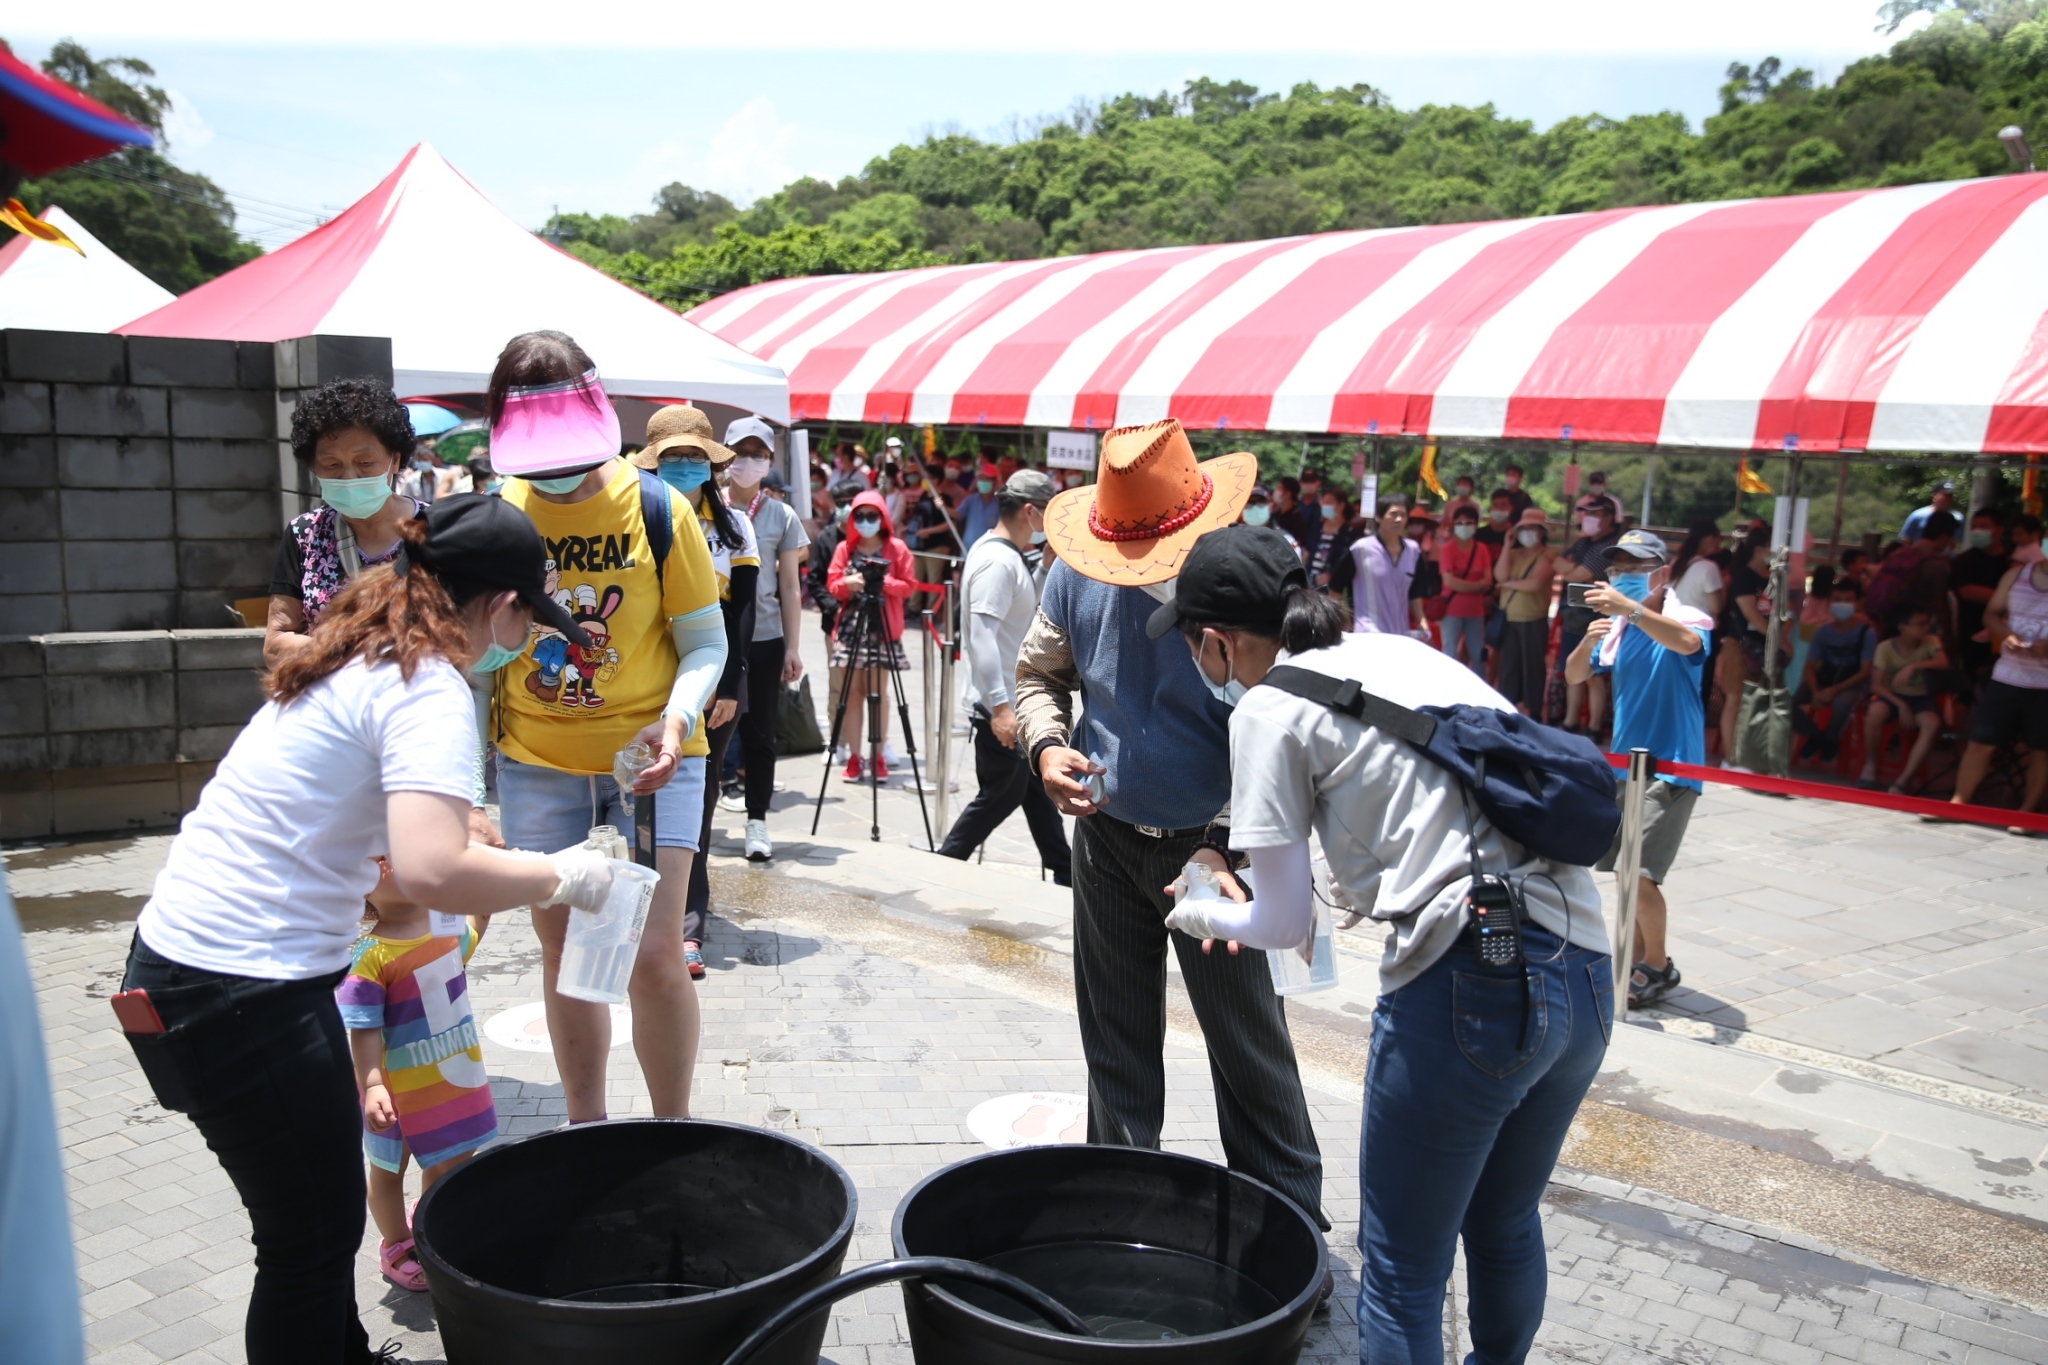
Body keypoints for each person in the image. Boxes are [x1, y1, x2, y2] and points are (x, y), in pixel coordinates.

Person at [119, 494, 617, 1363]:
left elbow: (367, 814)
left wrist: (462, 827)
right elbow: (429, 873)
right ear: (501, 603)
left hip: (193, 971)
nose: (525, 636)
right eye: (529, 617)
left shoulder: (364, 652)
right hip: (235, 991)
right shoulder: (428, 684)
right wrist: (565, 873)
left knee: (313, 1225)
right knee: (308, 1242)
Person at [1150, 525, 1605, 1360]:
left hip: (1467, 977)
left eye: (1192, 644)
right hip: (1583, 962)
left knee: (1400, 1269)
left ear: (1217, 640)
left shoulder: (1268, 707)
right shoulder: (1400, 652)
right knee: (1503, 1217)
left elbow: (1280, 924)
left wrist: (1200, 914)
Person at [1015, 419, 1328, 1251]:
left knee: (1246, 1043)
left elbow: (1288, 728)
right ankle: (1122, 1212)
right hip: (1109, 833)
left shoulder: (1249, 582)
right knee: (1114, 1036)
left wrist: (1225, 841)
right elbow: (1039, 672)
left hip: (1214, 847)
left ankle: (1289, 1229)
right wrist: (1047, 746)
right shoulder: (1074, 570)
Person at [487, 333, 725, 1125]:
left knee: (656, 958)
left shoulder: (659, 507)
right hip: (536, 764)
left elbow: (704, 641)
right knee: (567, 963)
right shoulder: (497, 513)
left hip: (654, 761)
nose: (553, 474)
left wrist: (677, 719)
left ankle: (671, 1128)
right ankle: (584, 1128)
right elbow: (472, 657)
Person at [629, 408, 759, 981]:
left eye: (694, 458)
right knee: (629, 801)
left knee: (694, 809)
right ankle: (629, 922)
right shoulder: (632, 516)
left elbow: (743, 614)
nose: (685, 466)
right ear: (653, 462)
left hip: (711, 687)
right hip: (637, 685)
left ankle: (687, 927)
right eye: (673, 458)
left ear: (711, 464)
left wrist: (730, 685)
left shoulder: (735, 527)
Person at [1563, 528, 1712, 1010]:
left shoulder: (1682, 615)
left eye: (1635, 567)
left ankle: (1656, 963)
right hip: (1628, 768)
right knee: (1626, 874)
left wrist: (1630, 609)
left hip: (1671, 768)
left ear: (1662, 573)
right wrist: (1587, 642)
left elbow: (1689, 643)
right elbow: (1575, 675)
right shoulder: (1619, 631)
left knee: (1637, 872)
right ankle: (1641, 960)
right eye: (1619, 567)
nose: (1624, 576)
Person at [340, 858, 494, 1294]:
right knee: (389, 1168)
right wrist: (371, 1085)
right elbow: (363, 1029)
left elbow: (473, 932)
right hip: (394, 1090)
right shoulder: (369, 957)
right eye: (376, 858)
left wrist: (484, 891)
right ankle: (396, 1244)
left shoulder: (445, 924)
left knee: (450, 1161)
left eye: (394, 851)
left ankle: (431, 1226)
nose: (388, 861)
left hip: (449, 1078)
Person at [936, 471, 1071, 882]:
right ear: (1030, 511)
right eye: (1048, 513)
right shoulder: (998, 560)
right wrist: (999, 706)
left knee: (1035, 799)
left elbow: (1018, 617)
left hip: (1015, 706)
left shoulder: (1005, 555)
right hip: (1005, 709)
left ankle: (1068, 876)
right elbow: (981, 637)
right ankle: (944, 862)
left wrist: (1046, 570)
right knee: (1001, 796)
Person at [266, 379, 426, 667]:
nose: (349, 477)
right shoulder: (304, 534)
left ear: (394, 460)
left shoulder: (439, 529)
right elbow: (276, 643)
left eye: (365, 463)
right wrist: (352, 654)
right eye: (332, 465)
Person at [722, 416, 809, 862]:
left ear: (770, 461)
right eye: (741, 452)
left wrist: (793, 646)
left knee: (760, 732)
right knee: (704, 729)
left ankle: (757, 819)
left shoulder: (780, 514)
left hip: (766, 636)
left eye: (758, 454)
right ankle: (694, 820)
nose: (749, 462)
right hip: (711, 635)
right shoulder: (706, 506)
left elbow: (791, 585)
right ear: (725, 454)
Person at [1950, 554, 2048, 826]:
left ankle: (2027, 814)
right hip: (2007, 676)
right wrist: (2007, 635)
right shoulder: (2016, 575)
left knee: (2041, 751)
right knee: (1981, 742)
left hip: (2045, 685)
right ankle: (1959, 801)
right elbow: (1991, 614)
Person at [828, 489, 919, 783]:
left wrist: (882, 581)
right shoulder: (845, 548)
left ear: (883, 518)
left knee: (878, 694)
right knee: (851, 695)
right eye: (860, 515)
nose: (866, 521)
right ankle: (854, 757)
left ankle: (878, 754)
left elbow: (909, 586)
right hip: (851, 629)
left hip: (882, 629)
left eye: (872, 515)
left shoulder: (897, 548)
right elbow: (833, 585)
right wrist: (850, 583)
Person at [806, 477, 867, 760]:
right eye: (840, 503)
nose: (845, 508)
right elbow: (816, 581)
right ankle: (837, 741)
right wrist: (834, 608)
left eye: (850, 503)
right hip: (836, 625)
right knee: (838, 687)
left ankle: (876, 745)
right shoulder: (826, 539)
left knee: (871, 688)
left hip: (871, 625)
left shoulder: (872, 538)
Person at [1858, 608, 1949, 794]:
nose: (1926, 627)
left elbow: (1943, 662)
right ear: (1903, 627)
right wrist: (1900, 704)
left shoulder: (1930, 642)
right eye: (1920, 624)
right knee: (1874, 713)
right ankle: (1871, 764)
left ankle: (1903, 780)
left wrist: (1914, 666)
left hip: (1920, 697)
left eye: (1927, 623)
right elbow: (1876, 686)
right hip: (1891, 696)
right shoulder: (1885, 648)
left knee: (1932, 723)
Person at [1556, 496, 1623, 734]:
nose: (1588, 518)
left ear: (1610, 519)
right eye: (1587, 513)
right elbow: (1558, 563)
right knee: (1572, 670)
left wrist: (1571, 570)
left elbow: (1578, 574)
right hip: (1573, 615)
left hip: (1596, 618)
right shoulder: (1582, 543)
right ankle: (1570, 722)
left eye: (1595, 514)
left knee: (1594, 674)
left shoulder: (1609, 547)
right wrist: (1571, 570)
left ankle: (1594, 727)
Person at [1792, 577, 1876, 764]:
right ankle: (1814, 735)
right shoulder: (1822, 632)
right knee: (1788, 703)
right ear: (1829, 602)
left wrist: (1835, 690)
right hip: (1824, 679)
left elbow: (1865, 672)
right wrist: (1814, 692)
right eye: (1837, 600)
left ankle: (1831, 737)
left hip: (1852, 683)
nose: (1842, 604)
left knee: (1841, 704)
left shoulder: (1866, 632)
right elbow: (1810, 666)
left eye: (1848, 600)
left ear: (1857, 602)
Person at [1493, 507, 1555, 714]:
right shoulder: (1513, 553)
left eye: (1532, 528)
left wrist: (1509, 584)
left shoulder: (1547, 555)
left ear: (1541, 532)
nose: (1527, 532)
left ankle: (1534, 712)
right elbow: (1499, 576)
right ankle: (1507, 709)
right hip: (1510, 619)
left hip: (1533, 619)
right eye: (1524, 528)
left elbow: (1535, 583)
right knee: (1508, 668)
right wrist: (1506, 546)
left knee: (1533, 669)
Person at [1338, 494, 1423, 636]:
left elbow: (1415, 594)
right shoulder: (1361, 549)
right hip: (1368, 633)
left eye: (1403, 515)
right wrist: (1343, 621)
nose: (1399, 519)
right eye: (1393, 514)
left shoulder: (1413, 551)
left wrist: (1422, 625)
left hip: (1400, 634)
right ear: (1378, 517)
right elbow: (1335, 589)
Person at [1953, 509, 2010, 680]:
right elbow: (1968, 591)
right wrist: (2009, 599)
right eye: (1974, 527)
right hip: (1971, 632)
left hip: (2006, 635)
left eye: (1983, 526)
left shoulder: (2013, 560)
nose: (1977, 531)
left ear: (2000, 529)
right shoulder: (1963, 561)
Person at [1438, 502, 1493, 674]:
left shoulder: (1481, 549)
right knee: (1449, 654)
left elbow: (1488, 579)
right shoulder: (1447, 549)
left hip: (1475, 612)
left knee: (1478, 655)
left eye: (1469, 522)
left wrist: (1467, 585)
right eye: (1460, 523)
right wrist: (1477, 585)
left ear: (1476, 525)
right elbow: (1450, 581)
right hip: (1451, 611)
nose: (1464, 527)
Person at [1666, 519, 1726, 620]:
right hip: (1697, 626)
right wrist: (1725, 586)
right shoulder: (1709, 567)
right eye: (1718, 538)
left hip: (1672, 622)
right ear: (1710, 537)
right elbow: (1716, 607)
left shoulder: (1676, 562)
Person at [1240, 482, 1303, 559]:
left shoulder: (1285, 542)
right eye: (1249, 503)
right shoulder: (1233, 539)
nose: (1255, 507)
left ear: (1271, 506)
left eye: (1261, 502)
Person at [956, 461, 1004, 550]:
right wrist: (943, 506)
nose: (983, 481)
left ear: (994, 481)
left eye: (986, 479)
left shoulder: (1000, 504)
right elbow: (958, 514)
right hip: (967, 550)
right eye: (981, 478)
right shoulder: (971, 499)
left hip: (989, 551)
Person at [1271, 475, 1311, 544]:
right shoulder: (1275, 514)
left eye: (1279, 488)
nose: (1276, 491)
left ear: (1288, 493)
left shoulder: (1297, 519)